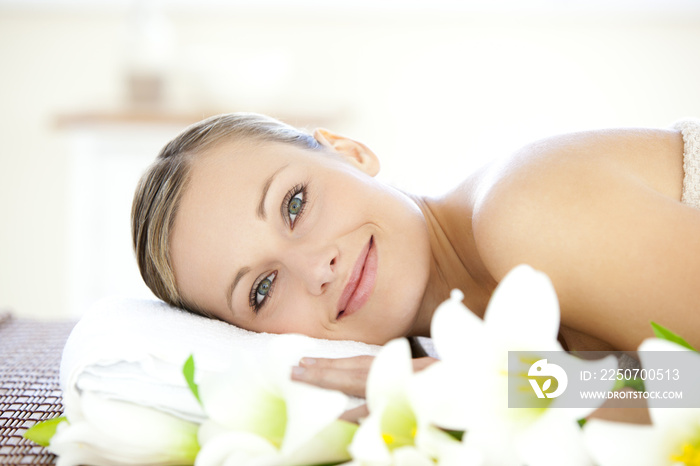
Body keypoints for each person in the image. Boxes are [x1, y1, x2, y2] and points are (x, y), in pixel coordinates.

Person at [131, 112, 700, 401]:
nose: (314, 268)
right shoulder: (439, 363)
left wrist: (508, 387)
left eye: (295, 204)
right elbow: (665, 382)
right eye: (260, 289)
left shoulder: (521, 210)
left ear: (349, 152)